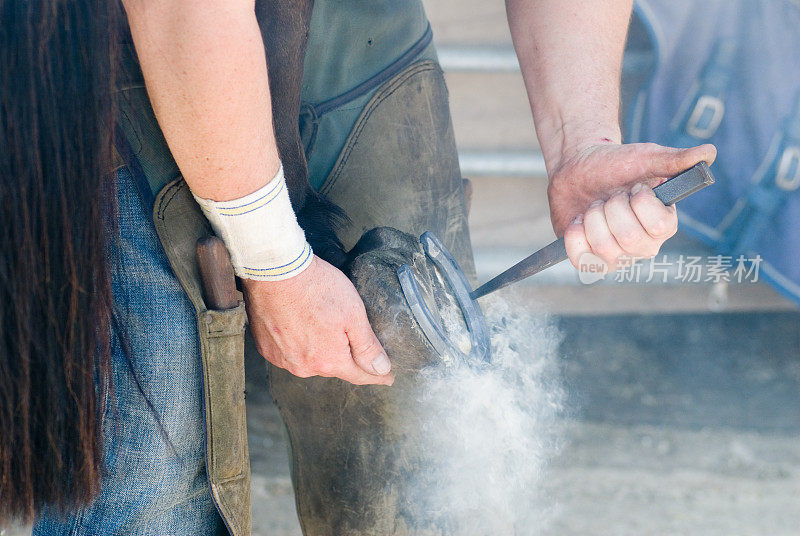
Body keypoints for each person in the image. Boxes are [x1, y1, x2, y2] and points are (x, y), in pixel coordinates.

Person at [0, 0, 714, 534]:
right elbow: (183, 15)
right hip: (117, 53)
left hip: (359, 37)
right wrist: (275, 263)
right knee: (151, 486)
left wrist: (581, 142)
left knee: (421, 439)